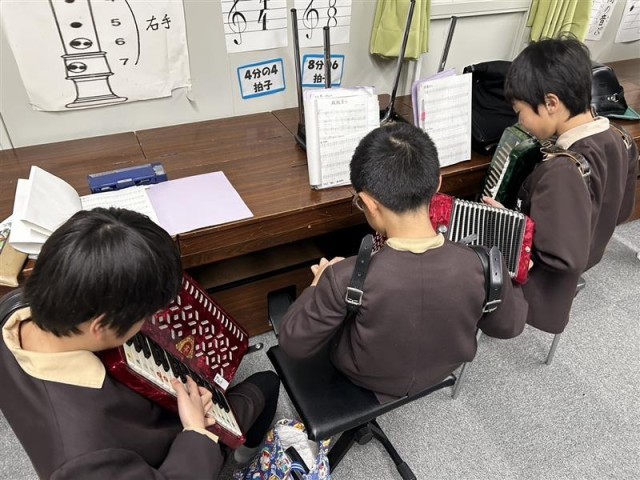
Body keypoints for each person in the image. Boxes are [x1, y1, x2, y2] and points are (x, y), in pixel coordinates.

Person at [0, 207, 279, 479]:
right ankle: (246, 457)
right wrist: (195, 431)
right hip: (171, 449)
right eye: (145, 317)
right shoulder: (84, 463)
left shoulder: (13, 307)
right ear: (101, 327)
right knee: (267, 382)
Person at [278, 122, 528, 402]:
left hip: (364, 375)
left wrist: (316, 285)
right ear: (437, 184)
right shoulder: (484, 265)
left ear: (368, 203)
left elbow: (294, 343)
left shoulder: (343, 276)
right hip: (442, 369)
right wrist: (512, 273)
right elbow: (509, 326)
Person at [485, 35, 638, 335]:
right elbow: (622, 211)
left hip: (546, 283)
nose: (520, 122)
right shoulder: (622, 138)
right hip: (593, 249)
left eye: (520, 111)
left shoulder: (561, 171)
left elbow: (558, 256)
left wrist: (508, 223)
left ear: (551, 103)